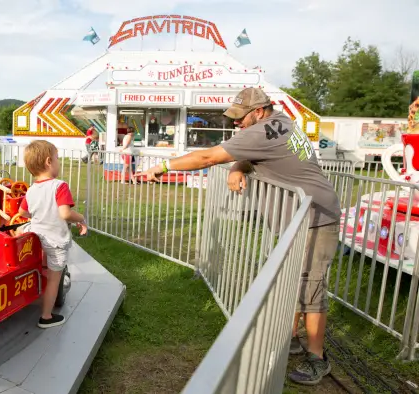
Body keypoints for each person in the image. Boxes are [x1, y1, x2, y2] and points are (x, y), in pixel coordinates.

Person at [137, 87, 341, 386]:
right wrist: (236, 167)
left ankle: (317, 358)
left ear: (259, 112)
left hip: (316, 218)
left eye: (239, 117)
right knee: (294, 280)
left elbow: (207, 157)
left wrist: (163, 165)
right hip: (306, 215)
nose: (235, 123)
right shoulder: (281, 120)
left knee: (310, 288)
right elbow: (258, 154)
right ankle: (294, 339)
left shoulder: (258, 132)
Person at [17, 140, 88, 328]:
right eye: (57, 158)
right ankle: (46, 317)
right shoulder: (60, 186)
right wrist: (80, 217)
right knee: (53, 280)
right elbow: (65, 214)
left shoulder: (31, 189)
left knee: (39, 260)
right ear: (49, 161)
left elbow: (23, 213)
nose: (59, 162)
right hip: (55, 241)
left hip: (37, 237)